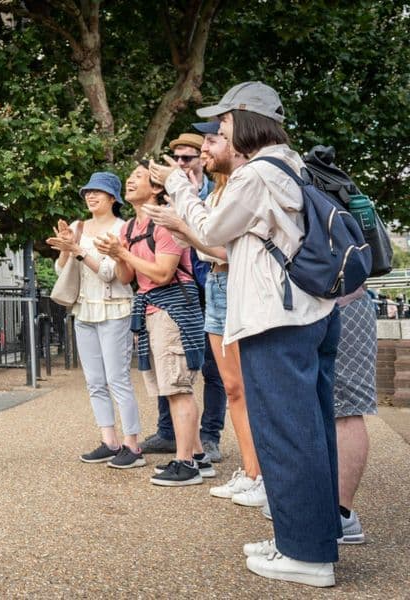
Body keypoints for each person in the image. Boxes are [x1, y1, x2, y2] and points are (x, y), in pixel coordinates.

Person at [149, 81, 340, 587]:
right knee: (312, 430)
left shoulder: (258, 173)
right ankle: (311, 537)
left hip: (276, 319)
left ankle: (305, 555)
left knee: (287, 432)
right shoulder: (291, 165)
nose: (220, 133)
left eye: (225, 124)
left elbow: (211, 233)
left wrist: (179, 186)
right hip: (309, 312)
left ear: (248, 122)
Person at [144, 123, 264, 505]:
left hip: (232, 282)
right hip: (213, 284)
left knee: (242, 386)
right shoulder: (211, 193)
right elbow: (205, 247)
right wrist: (183, 226)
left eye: (209, 143)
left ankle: (256, 471)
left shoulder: (237, 187)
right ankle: (250, 471)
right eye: (176, 159)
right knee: (232, 387)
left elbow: (223, 248)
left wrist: (182, 225)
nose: (185, 162)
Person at [95, 162, 211, 486]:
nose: (129, 182)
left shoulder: (166, 223)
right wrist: (119, 255)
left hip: (174, 308)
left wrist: (123, 253)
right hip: (152, 310)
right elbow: (127, 277)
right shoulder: (128, 228)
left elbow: (163, 273)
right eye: (129, 178)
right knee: (170, 387)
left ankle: (185, 463)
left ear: (157, 188)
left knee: (177, 388)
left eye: (138, 178)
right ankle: (199, 456)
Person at [263, 285, 377, 546]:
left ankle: (341, 513)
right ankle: (321, 508)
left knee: (346, 410)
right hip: (319, 305)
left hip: (340, 302)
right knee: (327, 409)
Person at [139, 132, 227, 463]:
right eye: (175, 158)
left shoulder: (212, 193)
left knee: (213, 369)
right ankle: (168, 432)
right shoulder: (167, 197)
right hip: (178, 294)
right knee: (168, 364)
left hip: (210, 290)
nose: (180, 164)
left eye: (187, 158)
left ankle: (209, 436)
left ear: (201, 160)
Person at [46, 172, 143, 469]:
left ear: (113, 198)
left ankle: (133, 445)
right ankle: (109, 440)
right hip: (84, 310)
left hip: (115, 308)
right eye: (87, 192)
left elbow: (109, 272)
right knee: (95, 381)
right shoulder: (77, 226)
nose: (90, 196)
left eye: (97, 192)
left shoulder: (123, 228)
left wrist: (78, 250)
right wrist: (66, 248)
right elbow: (61, 268)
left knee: (118, 379)